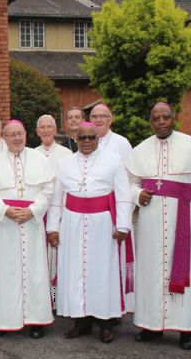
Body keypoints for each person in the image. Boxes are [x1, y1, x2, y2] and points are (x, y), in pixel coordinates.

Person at [47, 122, 133, 343]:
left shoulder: (113, 160)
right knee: (75, 271)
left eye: (91, 137)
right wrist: (53, 228)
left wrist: (123, 226)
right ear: (76, 139)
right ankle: (81, 322)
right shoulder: (64, 163)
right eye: (82, 137)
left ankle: (105, 323)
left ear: (98, 138)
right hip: (72, 224)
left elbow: (123, 195)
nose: (86, 141)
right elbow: (57, 198)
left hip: (102, 224)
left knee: (102, 272)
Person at [0, 120, 54, 338]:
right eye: (11, 134)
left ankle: (36, 321)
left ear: (25, 135)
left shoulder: (39, 159)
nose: (16, 138)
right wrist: (5, 211)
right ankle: (3, 320)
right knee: (5, 272)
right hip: (6, 225)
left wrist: (33, 210)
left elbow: (48, 189)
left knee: (35, 272)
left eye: (19, 133)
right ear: (4, 137)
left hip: (31, 223)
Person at [126, 103, 191, 349]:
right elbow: (128, 183)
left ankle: (186, 329)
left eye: (166, 117)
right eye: (156, 118)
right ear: (151, 121)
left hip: (183, 220)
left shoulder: (189, 145)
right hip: (151, 222)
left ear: (174, 118)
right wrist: (137, 194)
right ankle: (151, 325)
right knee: (150, 271)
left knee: (185, 271)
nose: (161, 122)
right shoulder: (141, 150)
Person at [90, 103, 135, 312]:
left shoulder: (121, 143)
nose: (98, 120)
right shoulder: (86, 140)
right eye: (94, 116)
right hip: (90, 213)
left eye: (103, 116)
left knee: (112, 263)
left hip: (114, 211)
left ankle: (114, 309)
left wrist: (124, 218)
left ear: (111, 119)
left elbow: (130, 179)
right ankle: (91, 308)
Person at [35, 114, 73, 305]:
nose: (46, 130)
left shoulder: (67, 154)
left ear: (55, 130)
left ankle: (59, 299)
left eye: (49, 127)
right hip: (38, 213)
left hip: (61, 211)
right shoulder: (32, 154)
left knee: (59, 254)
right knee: (40, 256)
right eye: (42, 127)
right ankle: (43, 298)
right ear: (37, 132)